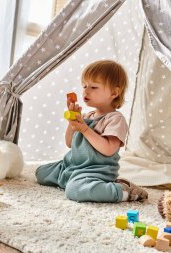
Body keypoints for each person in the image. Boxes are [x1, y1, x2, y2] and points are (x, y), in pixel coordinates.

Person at [35, 60, 148, 203]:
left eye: (94, 87)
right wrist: (73, 122)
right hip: (72, 165)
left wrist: (85, 129)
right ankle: (76, 180)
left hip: (95, 170)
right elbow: (69, 143)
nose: (86, 91)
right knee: (41, 173)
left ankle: (122, 191)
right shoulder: (87, 117)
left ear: (114, 92)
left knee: (74, 191)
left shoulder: (115, 119)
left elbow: (108, 149)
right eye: (84, 86)